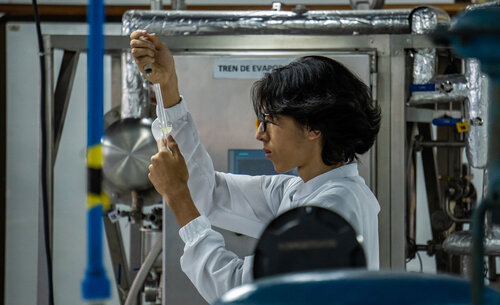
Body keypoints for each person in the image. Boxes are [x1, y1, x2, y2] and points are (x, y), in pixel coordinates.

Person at [130, 30, 382, 303]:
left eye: (270, 121)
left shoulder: (330, 212)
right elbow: (209, 192)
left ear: (313, 128)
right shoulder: (303, 191)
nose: (259, 134)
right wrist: (167, 87)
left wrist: (178, 198)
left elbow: (241, 293)